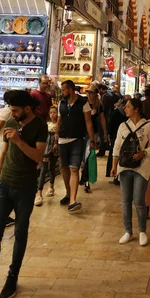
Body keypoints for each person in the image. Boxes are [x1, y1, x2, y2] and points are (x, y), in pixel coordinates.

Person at [0, 90, 47, 298]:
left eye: (15, 110)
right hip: (5, 185)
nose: (12, 114)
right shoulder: (12, 122)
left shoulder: (40, 126)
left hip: (25, 187)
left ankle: (12, 276)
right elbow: (4, 152)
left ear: (27, 108)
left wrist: (18, 141)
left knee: (20, 232)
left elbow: (38, 156)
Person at [111, 98, 150, 246]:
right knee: (125, 201)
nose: (125, 109)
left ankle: (142, 231)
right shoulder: (123, 126)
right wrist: (114, 166)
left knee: (138, 200)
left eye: (128, 107)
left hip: (141, 167)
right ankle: (128, 231)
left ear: (136, 109)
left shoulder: (148, 126)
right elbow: (117, 146)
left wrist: (143, 153)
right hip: (124, 168)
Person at [54, 80, 95, 213]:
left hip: (78, 139)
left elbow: (88, 122)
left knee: (74, 169)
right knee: (64, 169)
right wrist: (55, 137)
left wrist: (92, 140)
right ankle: (67, 193)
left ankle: (73, 200)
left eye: (64, 89)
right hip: (62, 140)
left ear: (71, 89)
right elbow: (59, 122)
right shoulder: (62, 103)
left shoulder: (83, 103)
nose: (62, 92)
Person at [82, 87, 107, 193]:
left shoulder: (99, 105)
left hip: (94, 133)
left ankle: (86, 180)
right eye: (89, 93)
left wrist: (105, 132)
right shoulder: (84, 103)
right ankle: (84, 176)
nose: (90, 95)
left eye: (91, 93)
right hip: (82, 132)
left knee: (89, 155)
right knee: (84, 156)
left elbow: (102, 119)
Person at [35, 106, 59, 206]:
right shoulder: (47, 124)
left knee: (52, 167)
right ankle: (39, 192)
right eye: (50, 112)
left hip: (54, 150)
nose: (52, 114)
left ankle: (51, 186)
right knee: (43, 169)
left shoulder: (59, 125)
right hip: (46, 149)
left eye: (54, 112)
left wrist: (56, 144)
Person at [106, 98, 128, 181]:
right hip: (115, 137)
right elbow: (110, 125)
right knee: (115, 154)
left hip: (122, 138)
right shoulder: (116, 113)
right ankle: (114, 174)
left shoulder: (125, 115)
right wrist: (110, 135)